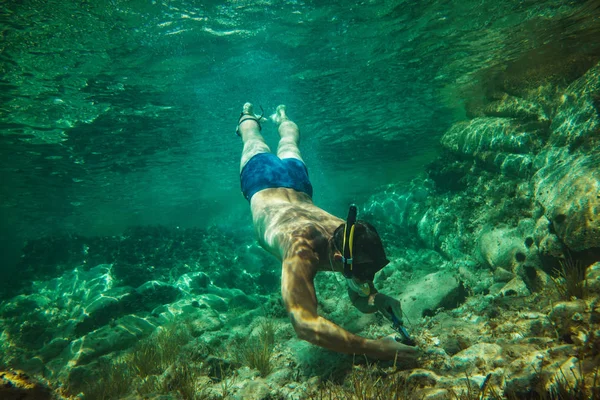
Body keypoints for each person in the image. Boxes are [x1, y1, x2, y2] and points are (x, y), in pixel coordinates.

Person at [236, 103, 420, 362]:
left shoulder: (347, 239)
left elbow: (360, 293)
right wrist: (376, 349)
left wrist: (377, 299)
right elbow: (304, 324)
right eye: (364, 273)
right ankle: (249, 115)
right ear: (337, 259)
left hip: (296, 183)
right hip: (262, 181)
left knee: (289, 141)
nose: (367, 278)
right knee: (252, 137)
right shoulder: (301, 251)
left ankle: (282, 117)